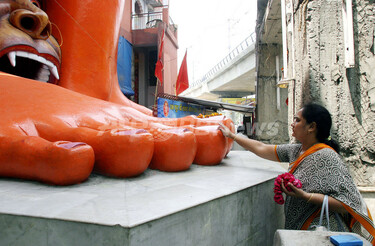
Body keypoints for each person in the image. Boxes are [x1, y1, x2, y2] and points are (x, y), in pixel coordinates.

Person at [219, 103, 375, 243]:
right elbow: (261, 148)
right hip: (299, 232)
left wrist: (306, 196)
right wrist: (233, 136)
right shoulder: (296, 150)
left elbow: (347, 204)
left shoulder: (328, 157)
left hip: (322, 233)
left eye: (297, 120)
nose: (293, 124)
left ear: (311, 127)